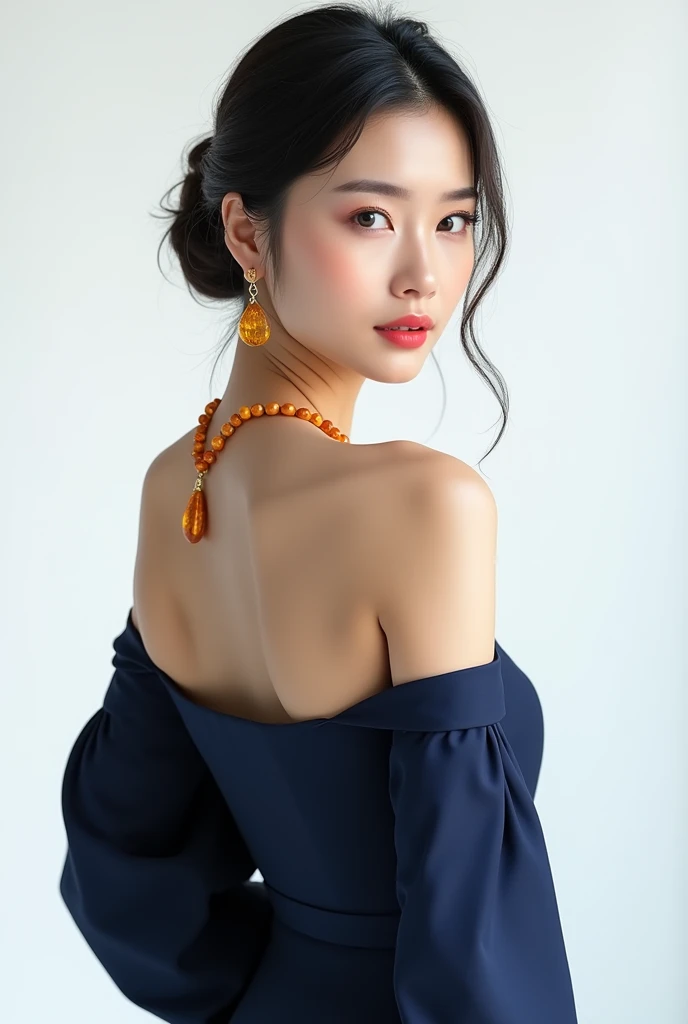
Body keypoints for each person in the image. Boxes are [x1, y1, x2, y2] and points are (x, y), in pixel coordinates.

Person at [58, 3, 579, 1021]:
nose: (425, 271)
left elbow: (126, 866)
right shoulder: (428, 504)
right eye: (371, 216)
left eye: (454, 218)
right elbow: (472, 951)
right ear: (247, 229)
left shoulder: (177, 487)